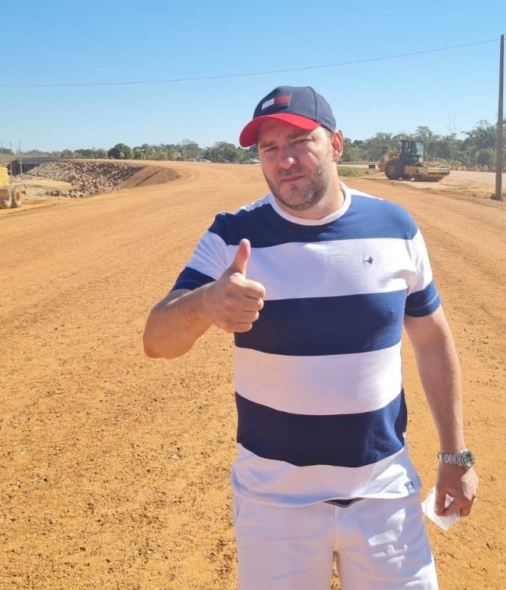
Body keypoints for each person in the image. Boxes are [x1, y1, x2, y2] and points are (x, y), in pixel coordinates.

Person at [143, 86, 478, 589]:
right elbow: (157, 339)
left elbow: (432, 341)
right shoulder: (233, 234)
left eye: (300, 141)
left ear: (337, 145)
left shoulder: (395, 228)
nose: (285, 160)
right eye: (270, 149)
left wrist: (455, 455)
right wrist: (205, 303)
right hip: (274, 503)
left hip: (384, 495)